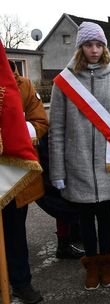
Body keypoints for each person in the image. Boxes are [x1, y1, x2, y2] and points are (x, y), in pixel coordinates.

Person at [49, 22, 110, 290]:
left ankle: (107, 262)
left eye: (99, 45)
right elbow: (56, 130)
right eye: (89, 45)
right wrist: (58, 172)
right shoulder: (64, 82)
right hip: (76, 164)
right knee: (85, 218)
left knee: (105, 216)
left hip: (108, 162)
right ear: (80, 47)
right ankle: (92, 265)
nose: (94, 50)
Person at [4, 60, 47, 303]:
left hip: (14, 174)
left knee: (15, 233)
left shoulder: (25, 86)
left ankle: (21, 282)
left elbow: (40, 122)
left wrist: (15, 128)